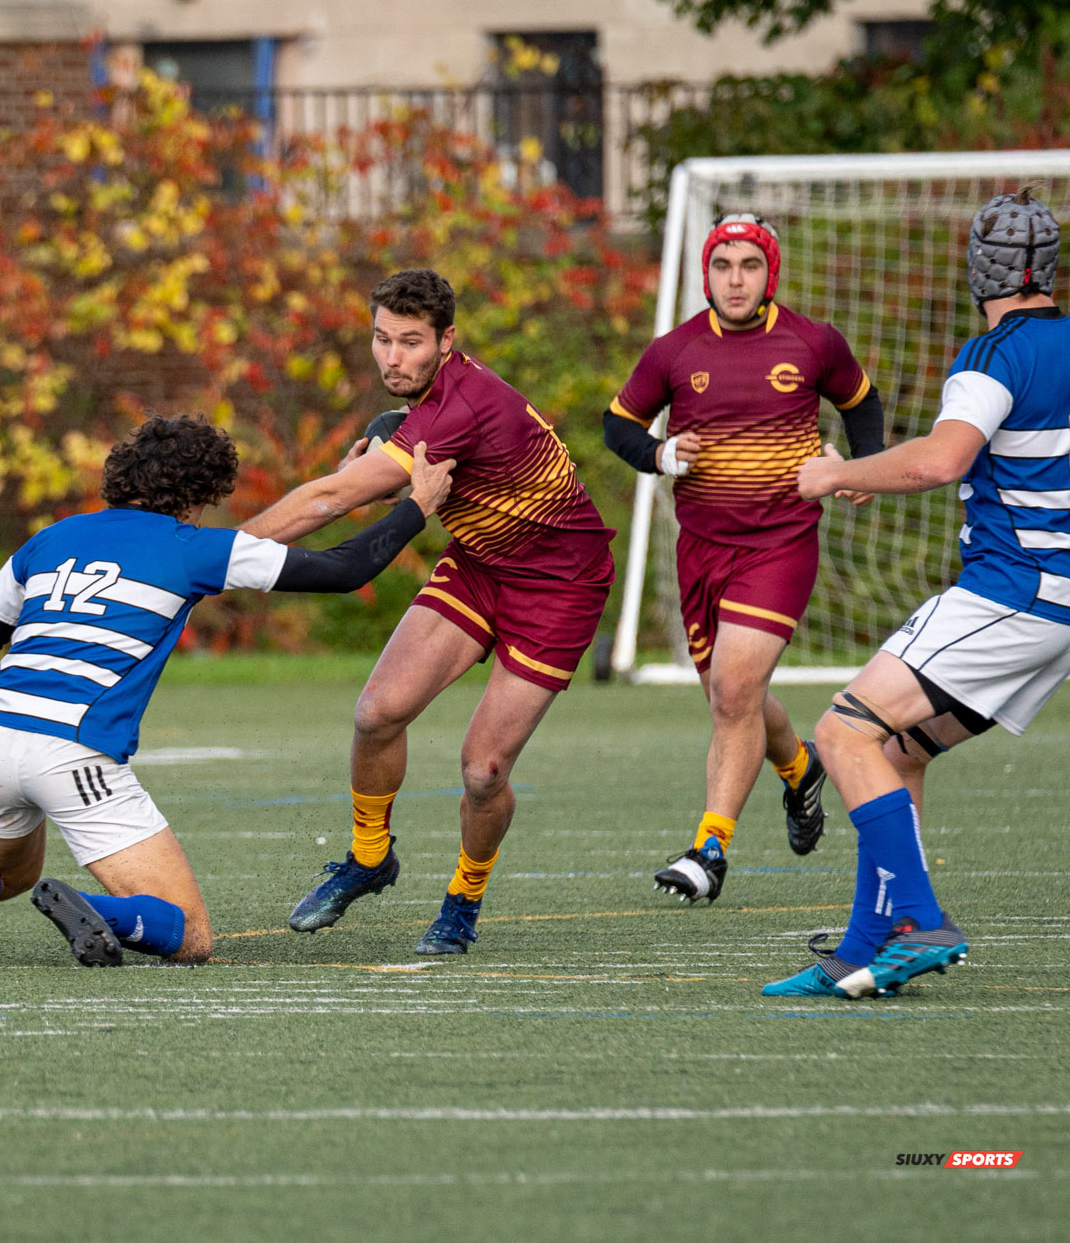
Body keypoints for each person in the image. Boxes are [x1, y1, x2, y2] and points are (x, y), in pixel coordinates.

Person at [0, 414, 452, 967]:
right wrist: (415, 506)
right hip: (75, 753)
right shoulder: (192, 547)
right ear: (202, 494)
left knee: (10, 869)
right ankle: (99, 914)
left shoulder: (51, 539)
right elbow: (345, 572)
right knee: (191, 933)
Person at [241, 268, 615, 955]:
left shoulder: (459, 407)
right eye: (382, 339)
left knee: (483, 772)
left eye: (411, 342)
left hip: (561, 585)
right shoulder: (434, 403)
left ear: (448, 341)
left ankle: (463, 899)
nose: (392, 357)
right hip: (481, 563)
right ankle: (368, 857)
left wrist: (218, 553)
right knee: (377, 711)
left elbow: (328, 500)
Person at [764, 190, 1061, 998]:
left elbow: (941, 459)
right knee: (899, 750)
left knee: (840, 733)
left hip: (1012, 594)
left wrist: (835, 472)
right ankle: (867, 947)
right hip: (1055, 611)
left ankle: (918, 921)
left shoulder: (994, 354)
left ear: (980, 267)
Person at [603, 214, 886, 904]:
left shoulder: (812, 341)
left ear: (770, 273)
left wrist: (862, 467)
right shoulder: (674, 350)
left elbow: (862, 401)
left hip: (780, 544)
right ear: (706, 272)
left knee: (733, 693)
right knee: (735, 699)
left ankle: (709, 849)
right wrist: (659, 454)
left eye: (748, 266)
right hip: (701, 551)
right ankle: (799, 770)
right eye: (723, 265)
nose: (735, 279)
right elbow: (618, 423)